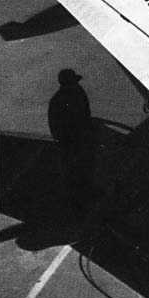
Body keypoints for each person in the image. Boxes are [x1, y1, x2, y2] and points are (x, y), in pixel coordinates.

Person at [48, 68, 96, 210]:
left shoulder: (59, 99)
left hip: (76, 140)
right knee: (76, 169)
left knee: (81, 167)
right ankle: (77, 200)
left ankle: (83, 195)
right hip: (73, 141)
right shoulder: (73, 94)